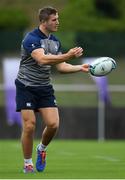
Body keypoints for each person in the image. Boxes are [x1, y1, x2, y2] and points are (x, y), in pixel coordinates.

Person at [15, 6, 89, 173]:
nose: (57, 22)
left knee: (53, 124)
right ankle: (27, 163)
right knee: (29, 125)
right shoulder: (31, 38)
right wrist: (68, 55)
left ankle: (41, 149)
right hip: (25, 86)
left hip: (44, 87)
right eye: (54, 19)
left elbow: (61, 66)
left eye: (57, 18)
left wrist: (79, 67)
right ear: (43, 22)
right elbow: (42, 59)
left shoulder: (55, 41)